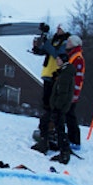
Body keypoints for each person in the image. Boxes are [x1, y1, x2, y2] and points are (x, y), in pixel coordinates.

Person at [47, 34, 84, 164]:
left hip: (70, 93)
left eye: (69, 42)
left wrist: (74, 93)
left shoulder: (77, 57)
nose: (67, 43)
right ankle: (68, 139)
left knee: (69, 115)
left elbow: (77, 77)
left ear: (74, 44)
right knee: (67, 115)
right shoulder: (72, 55)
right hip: (69, 92)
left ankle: (74, 140)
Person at [31, 24, 69, 152]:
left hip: (55, 76)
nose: (57, 30)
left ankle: (49, 131)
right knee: (46, 103)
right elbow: (46, 51)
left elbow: (56, 54)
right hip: (48, 74)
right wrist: (37, 48)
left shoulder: (65, 42)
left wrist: (47, 43)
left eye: (60, 28)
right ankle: (45, 129)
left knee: (51, 105)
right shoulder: (55, 40)